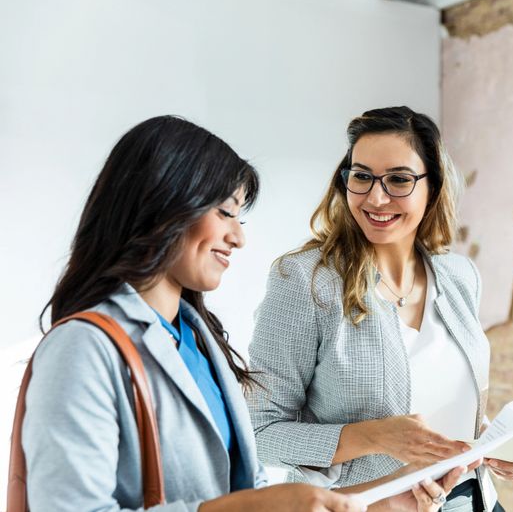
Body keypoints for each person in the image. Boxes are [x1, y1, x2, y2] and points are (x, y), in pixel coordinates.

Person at [22, 115, 467, 512]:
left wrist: (376, 500)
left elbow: (244, 489)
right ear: (161, 206)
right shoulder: (81, 348)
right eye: (225, 213)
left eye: (241, 218)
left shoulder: (199, 340)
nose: (238, 237)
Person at [248, 106, 513, 512]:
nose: (376, 196)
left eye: (399, 180)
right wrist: (372, 436)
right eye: (362, 176)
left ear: (433, 187)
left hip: (471, 501)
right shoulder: (304, 281)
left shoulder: (459, 276)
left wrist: (494, 446)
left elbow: (449, 406)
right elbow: (260, 431)